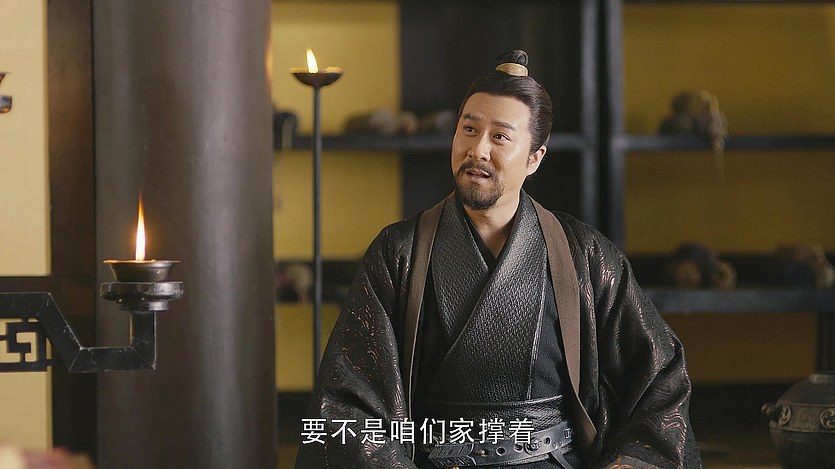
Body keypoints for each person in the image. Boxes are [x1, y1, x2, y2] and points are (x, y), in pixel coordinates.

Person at [294, 50, 703, 469]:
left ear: (534, 158)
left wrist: (632, 460)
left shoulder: (584, 254)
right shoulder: (399, 253)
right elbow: (351, 396)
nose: (478, 150)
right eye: (469, 129)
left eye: (500, 137)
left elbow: (659, 374)